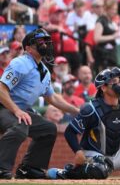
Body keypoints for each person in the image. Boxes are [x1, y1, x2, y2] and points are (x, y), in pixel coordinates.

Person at [0, 28, 79, 179]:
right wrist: (17, 111)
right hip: (4, 106)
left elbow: (52, 98)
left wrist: (76, 110)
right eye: (40, 41)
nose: (46, 44)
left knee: (48, 129)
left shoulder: (44, 71)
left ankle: (29, 168)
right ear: (28, 48)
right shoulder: (20, 62)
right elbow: (1, 88)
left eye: (47, 41)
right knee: (19, 127)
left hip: (17, 110)